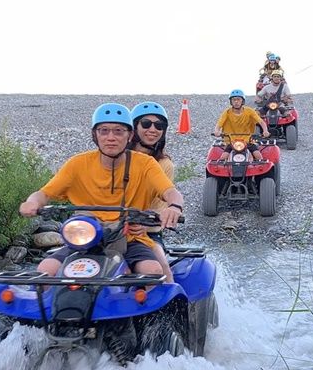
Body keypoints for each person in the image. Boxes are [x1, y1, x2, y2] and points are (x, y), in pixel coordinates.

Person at [19, 102, 184, 279]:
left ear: (130, 135)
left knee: (154, 271)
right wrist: (32, 203)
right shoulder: (77, 164)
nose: (111, 137)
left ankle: (167, 306)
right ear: (95, 135)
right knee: (45, 268)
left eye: (119, 131)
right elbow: (44, 193)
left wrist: (174, 207)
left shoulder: (146, 164)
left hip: (130, 238)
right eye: (104, 130)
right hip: (85, 236)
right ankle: (48, 307)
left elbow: (170, 192)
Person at [127, 100, 175, 282]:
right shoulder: (116, 159)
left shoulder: (164, 165)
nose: (152, 129)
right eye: (146, 124)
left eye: (159, 125)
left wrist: (144, 224)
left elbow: (161, 206)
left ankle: (172, 307)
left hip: (145, 232)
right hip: (109, 229)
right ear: (134, 128)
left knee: (162, 270)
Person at [213, 89, 270, 162]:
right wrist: (216, 131)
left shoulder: (249, 111)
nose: (236, 102)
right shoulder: (227, 112)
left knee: (259, 157)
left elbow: (261, 122)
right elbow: (219, 124)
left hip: (248, 141)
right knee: (222, 158)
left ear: (242, 101)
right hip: (231, 142)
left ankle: (261, 172)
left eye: (238, 99)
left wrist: (265, 131)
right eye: (234, 100)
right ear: (231, 101)